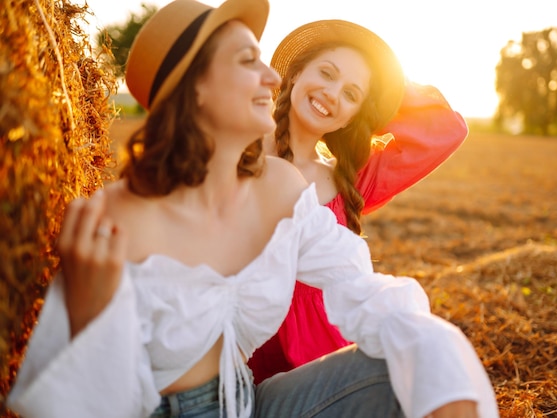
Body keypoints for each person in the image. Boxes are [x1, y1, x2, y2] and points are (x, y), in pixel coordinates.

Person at [7, 0, 499, 417]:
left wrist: (440, 359)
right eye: (248, 61)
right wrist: (91, 318)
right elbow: (70, 402)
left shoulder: (286, 188)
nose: (271, 74)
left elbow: (364, 289)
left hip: (251, 399)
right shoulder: (115, 219)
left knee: (423, 358)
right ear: (196, 87)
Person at [249, 19, 470, 383]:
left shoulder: (349, 180)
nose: (333, 94)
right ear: (295, 72)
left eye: (351, 94)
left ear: (355, 115)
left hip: (322, 358)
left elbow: (446, 128)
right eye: (326, 73)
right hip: (243, 347)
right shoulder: (243, 146)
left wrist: (388, 90)